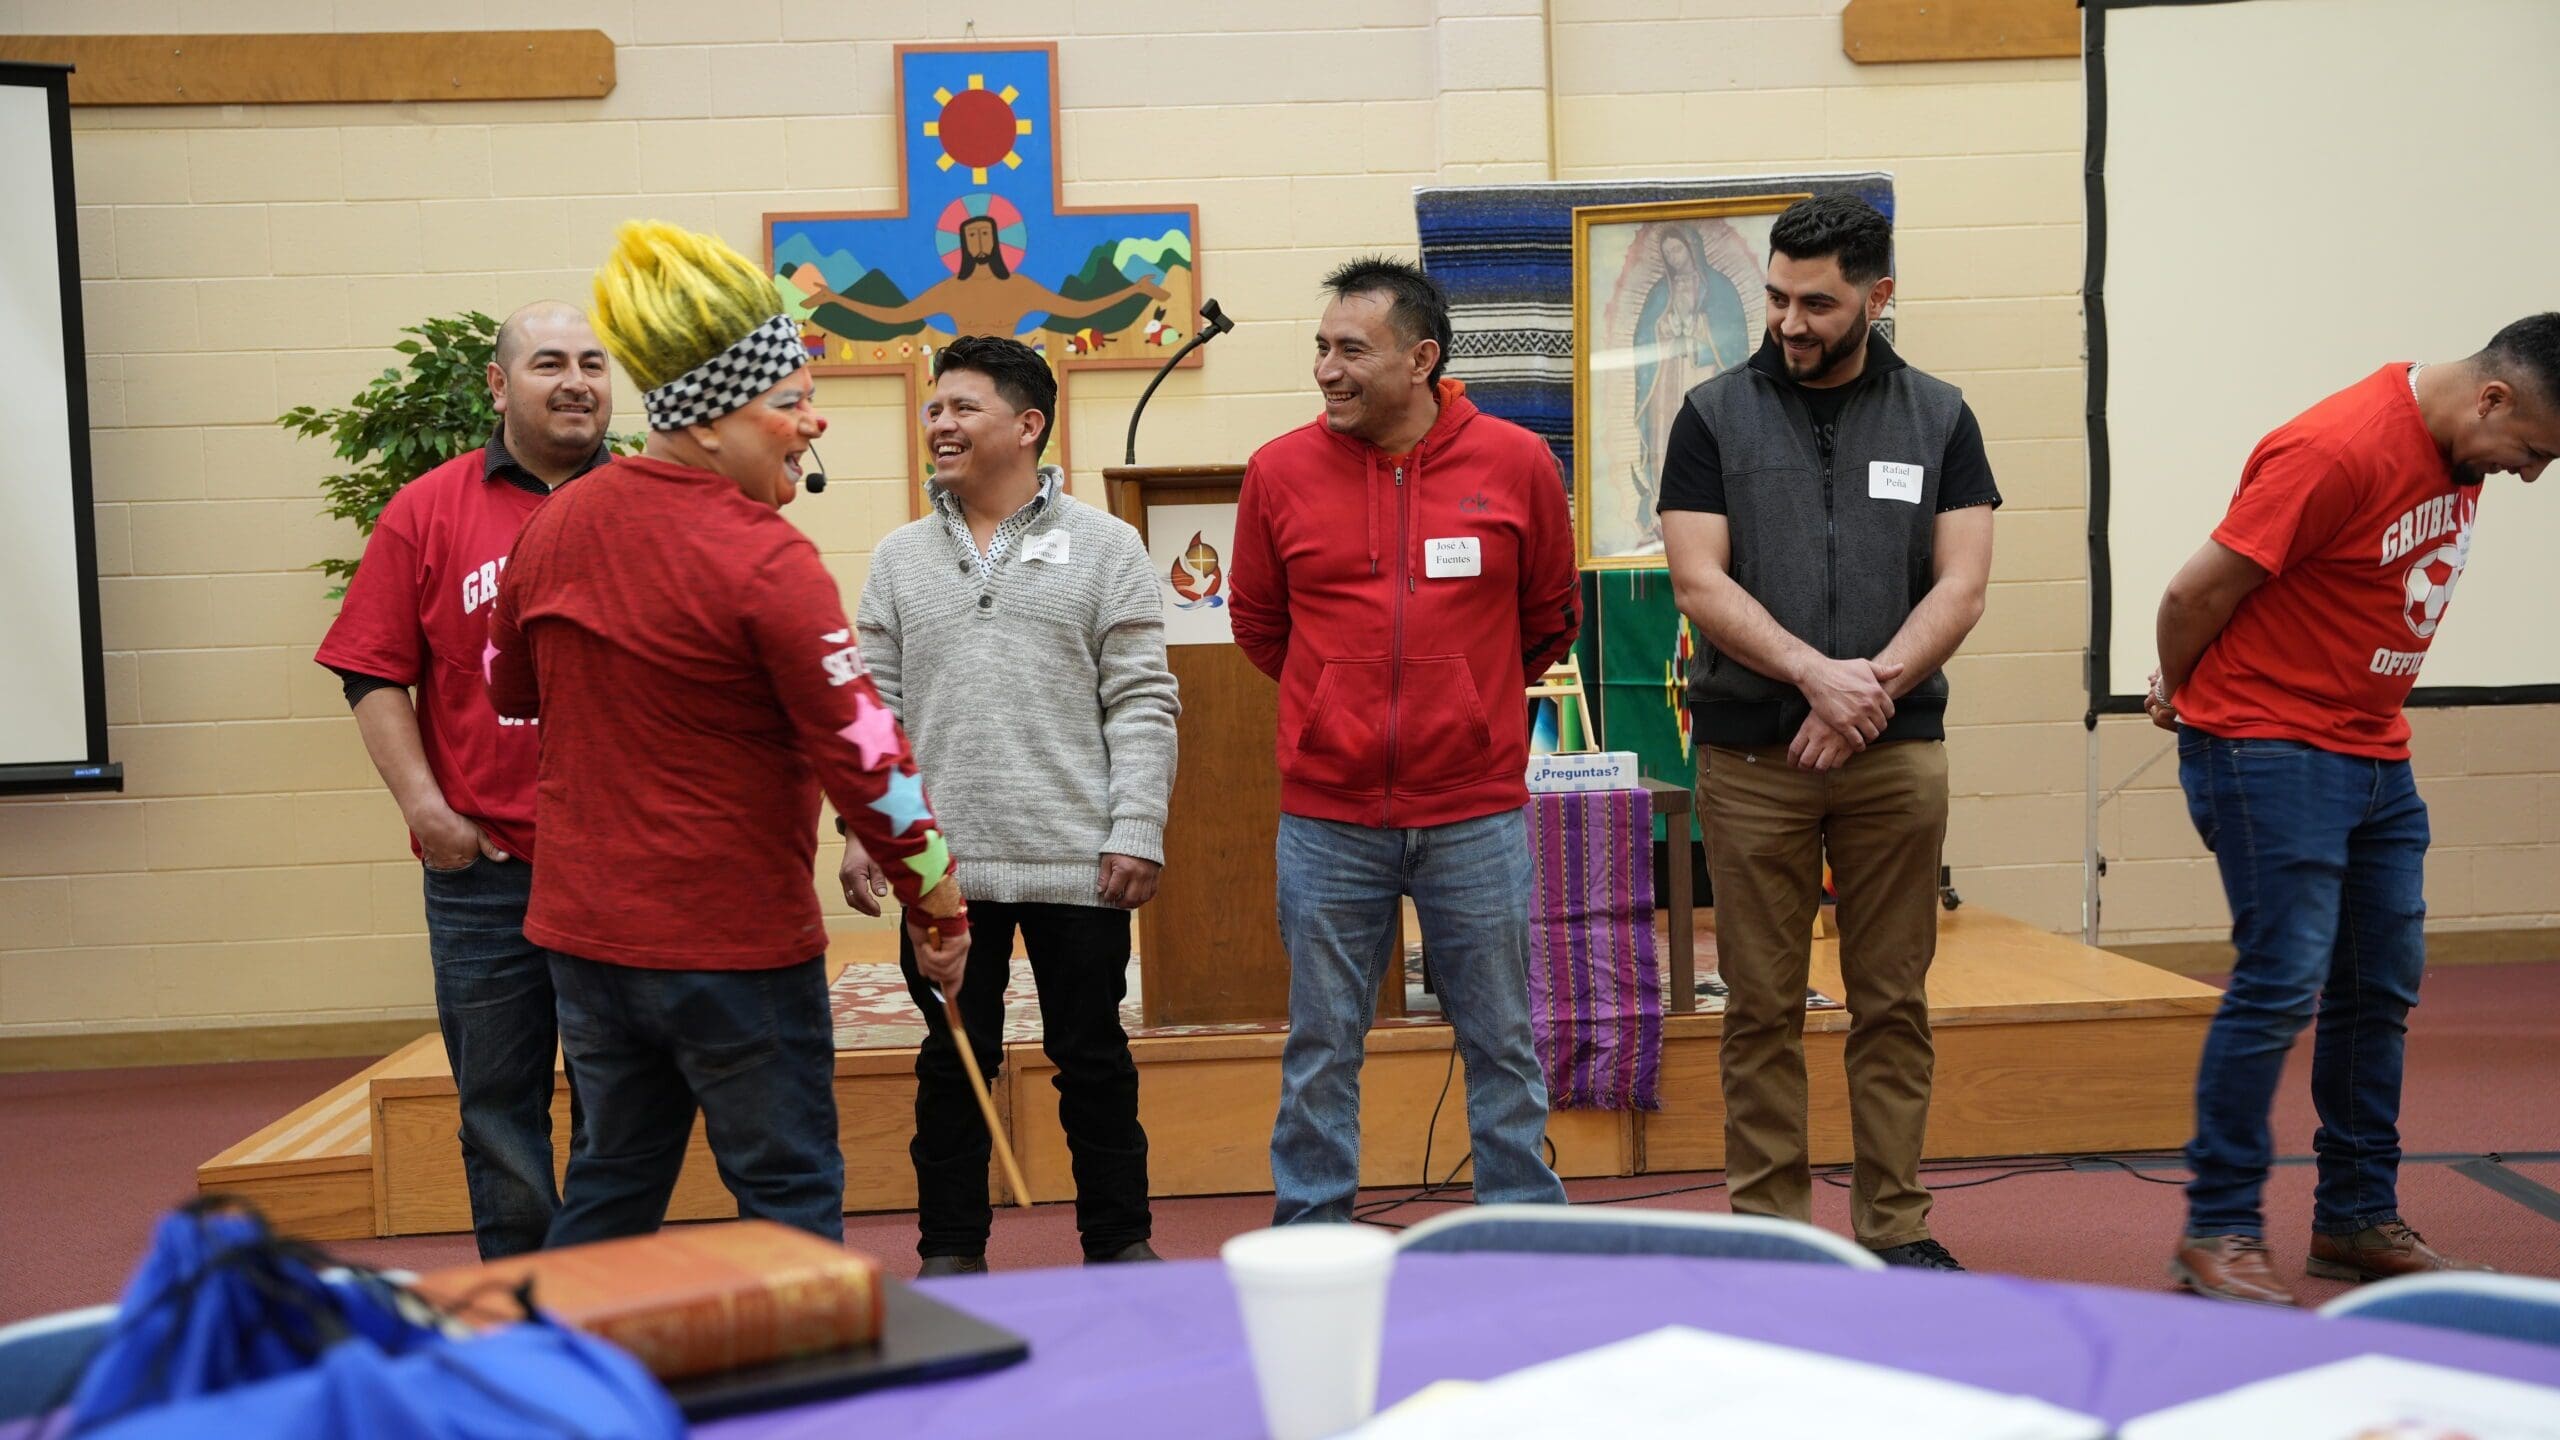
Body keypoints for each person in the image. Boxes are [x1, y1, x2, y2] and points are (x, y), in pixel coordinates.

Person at [484, 221, 970, 1246]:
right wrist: (937, 902)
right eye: (789, 403)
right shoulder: (766, 559)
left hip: (588, 938)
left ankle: (562, 1352)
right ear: (709, 423)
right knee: (787, 1195)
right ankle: (804, 1361)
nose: (812, 424)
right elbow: (869, 757)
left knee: (613, 1181)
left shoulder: (553, 526)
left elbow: (507, 688)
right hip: (732, 944)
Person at [2148, 313, 2560, 1305]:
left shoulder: (2458, 448)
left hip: (2373, 750)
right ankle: (2219, 1230)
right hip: (2268, 743)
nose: (2531, 476)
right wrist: (2180, 688)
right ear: (2493, 397)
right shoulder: (2336, 447)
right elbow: (2193, 594)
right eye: (2534, 451)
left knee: (2379, 986)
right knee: (2280, 982)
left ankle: (2354, 1218)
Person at [1656, 193, 1999, 1270]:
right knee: (1760, 1006)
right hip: (1753, 759)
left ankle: (1896, 1227)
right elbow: (1698, 581)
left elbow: (1962, 586)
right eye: (1776, 297)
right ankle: (1771, 1235)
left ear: (1877, 296)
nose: (1789, 322)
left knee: (1891, 1001)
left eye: (1817, 303)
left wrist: (1865, 697)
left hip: (1893, 758)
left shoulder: (1941, 416)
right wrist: (1814, 676)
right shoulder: (1710, 414)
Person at [1230, 255, 1580, 1226]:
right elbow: (1258, 623)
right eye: (1321, 348)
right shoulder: (1277, 472)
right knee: (1322, 1043)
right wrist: (1333, 705)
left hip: (1474, 812)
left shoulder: (1516, 462)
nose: (1326, 370)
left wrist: (1463, 700)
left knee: (1501, 1038)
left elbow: (1550, 617)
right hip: (1328, 818)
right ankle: (1312, 1229)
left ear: (1421, 359)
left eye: (1351, 350)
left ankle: (1520, 1225)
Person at [843, 334, 1180, 1276]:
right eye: (934, 409)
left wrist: (1137, 826)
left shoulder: (1108, 545)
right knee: (952, 1061)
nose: (939, 424)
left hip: (1080, 857)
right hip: (939, 864)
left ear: (1028, 424)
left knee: (1094, 1058)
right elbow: (874, 708)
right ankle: (950, 1251)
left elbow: (1142, 699)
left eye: (963, 407)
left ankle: (1119, 1241)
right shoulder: (899, 557)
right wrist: (868, 829)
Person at [313, 300, 611, 1260]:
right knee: (498, 1110)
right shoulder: (426, 509)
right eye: (550, 362)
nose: (577, 382)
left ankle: (612, 1298)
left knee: (623, 1108)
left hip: (620, 868)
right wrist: (426, 810)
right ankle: (523, 1300)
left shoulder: (649, 502)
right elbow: (370, 670)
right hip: (484, 875)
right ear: (498, 384)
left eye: (594, 363)